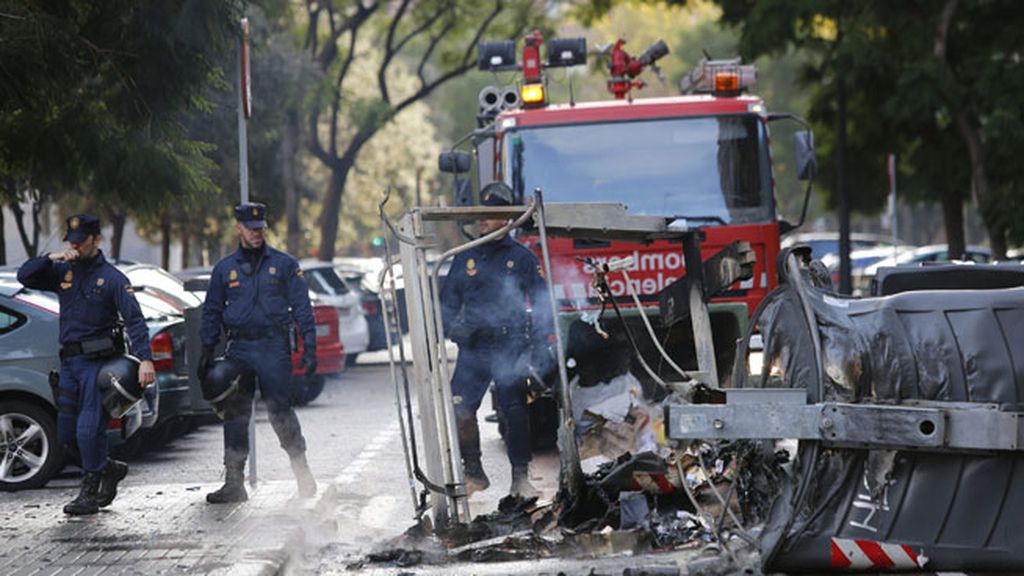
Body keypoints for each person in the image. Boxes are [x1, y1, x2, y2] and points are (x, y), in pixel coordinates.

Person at [17, 214, 156, 515]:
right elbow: (25, 276)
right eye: (72, 241)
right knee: (66, 434)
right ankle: (109, 468)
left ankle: (89, 492)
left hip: (97, 364)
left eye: (81, 241)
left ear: (97, 240)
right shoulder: (63, 271)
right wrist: (51, 257)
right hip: (69, 364)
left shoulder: (113, 279)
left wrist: (146, 358)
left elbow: (135, 321)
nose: (75, 246)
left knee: (88, 430)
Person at [440, 182, 554, 497]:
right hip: (474, 347)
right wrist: (451, 329)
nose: (483, 221)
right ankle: (473, 470)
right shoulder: (464, 257)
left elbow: (542, 302)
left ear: (506, 219)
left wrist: (541, 348)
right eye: (481, 215)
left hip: (510, 345)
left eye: (490, 215)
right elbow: (447, 303)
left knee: (514, 410)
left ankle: (520, 478)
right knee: (460, 406)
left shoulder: (522, 258)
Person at [198, 202, 318, 503]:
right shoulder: (224, 268)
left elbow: (302, 307)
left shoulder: (285, 264)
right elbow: (212, 310)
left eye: (260, 228)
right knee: (235, 414)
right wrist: (207, 346)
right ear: (238, 228)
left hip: (273, 346)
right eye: (250, 229)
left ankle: (303, 474)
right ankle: (234, 483)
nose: (256, 233)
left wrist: (310, 346)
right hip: (239, 348)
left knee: (280, 411)